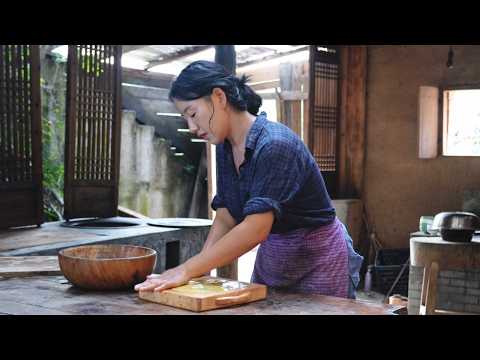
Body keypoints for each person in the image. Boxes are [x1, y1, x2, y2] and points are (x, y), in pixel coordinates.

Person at [134, 60, 363, 298]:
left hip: (317, 257)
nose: (191, 127)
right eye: (186, 119)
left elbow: (255, 229)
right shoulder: (225, 146)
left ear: (219, 97)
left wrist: (186, 269)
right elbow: (226, 216)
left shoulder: (275, 145)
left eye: (193, 114)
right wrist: (197, 272)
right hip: (275, 255)